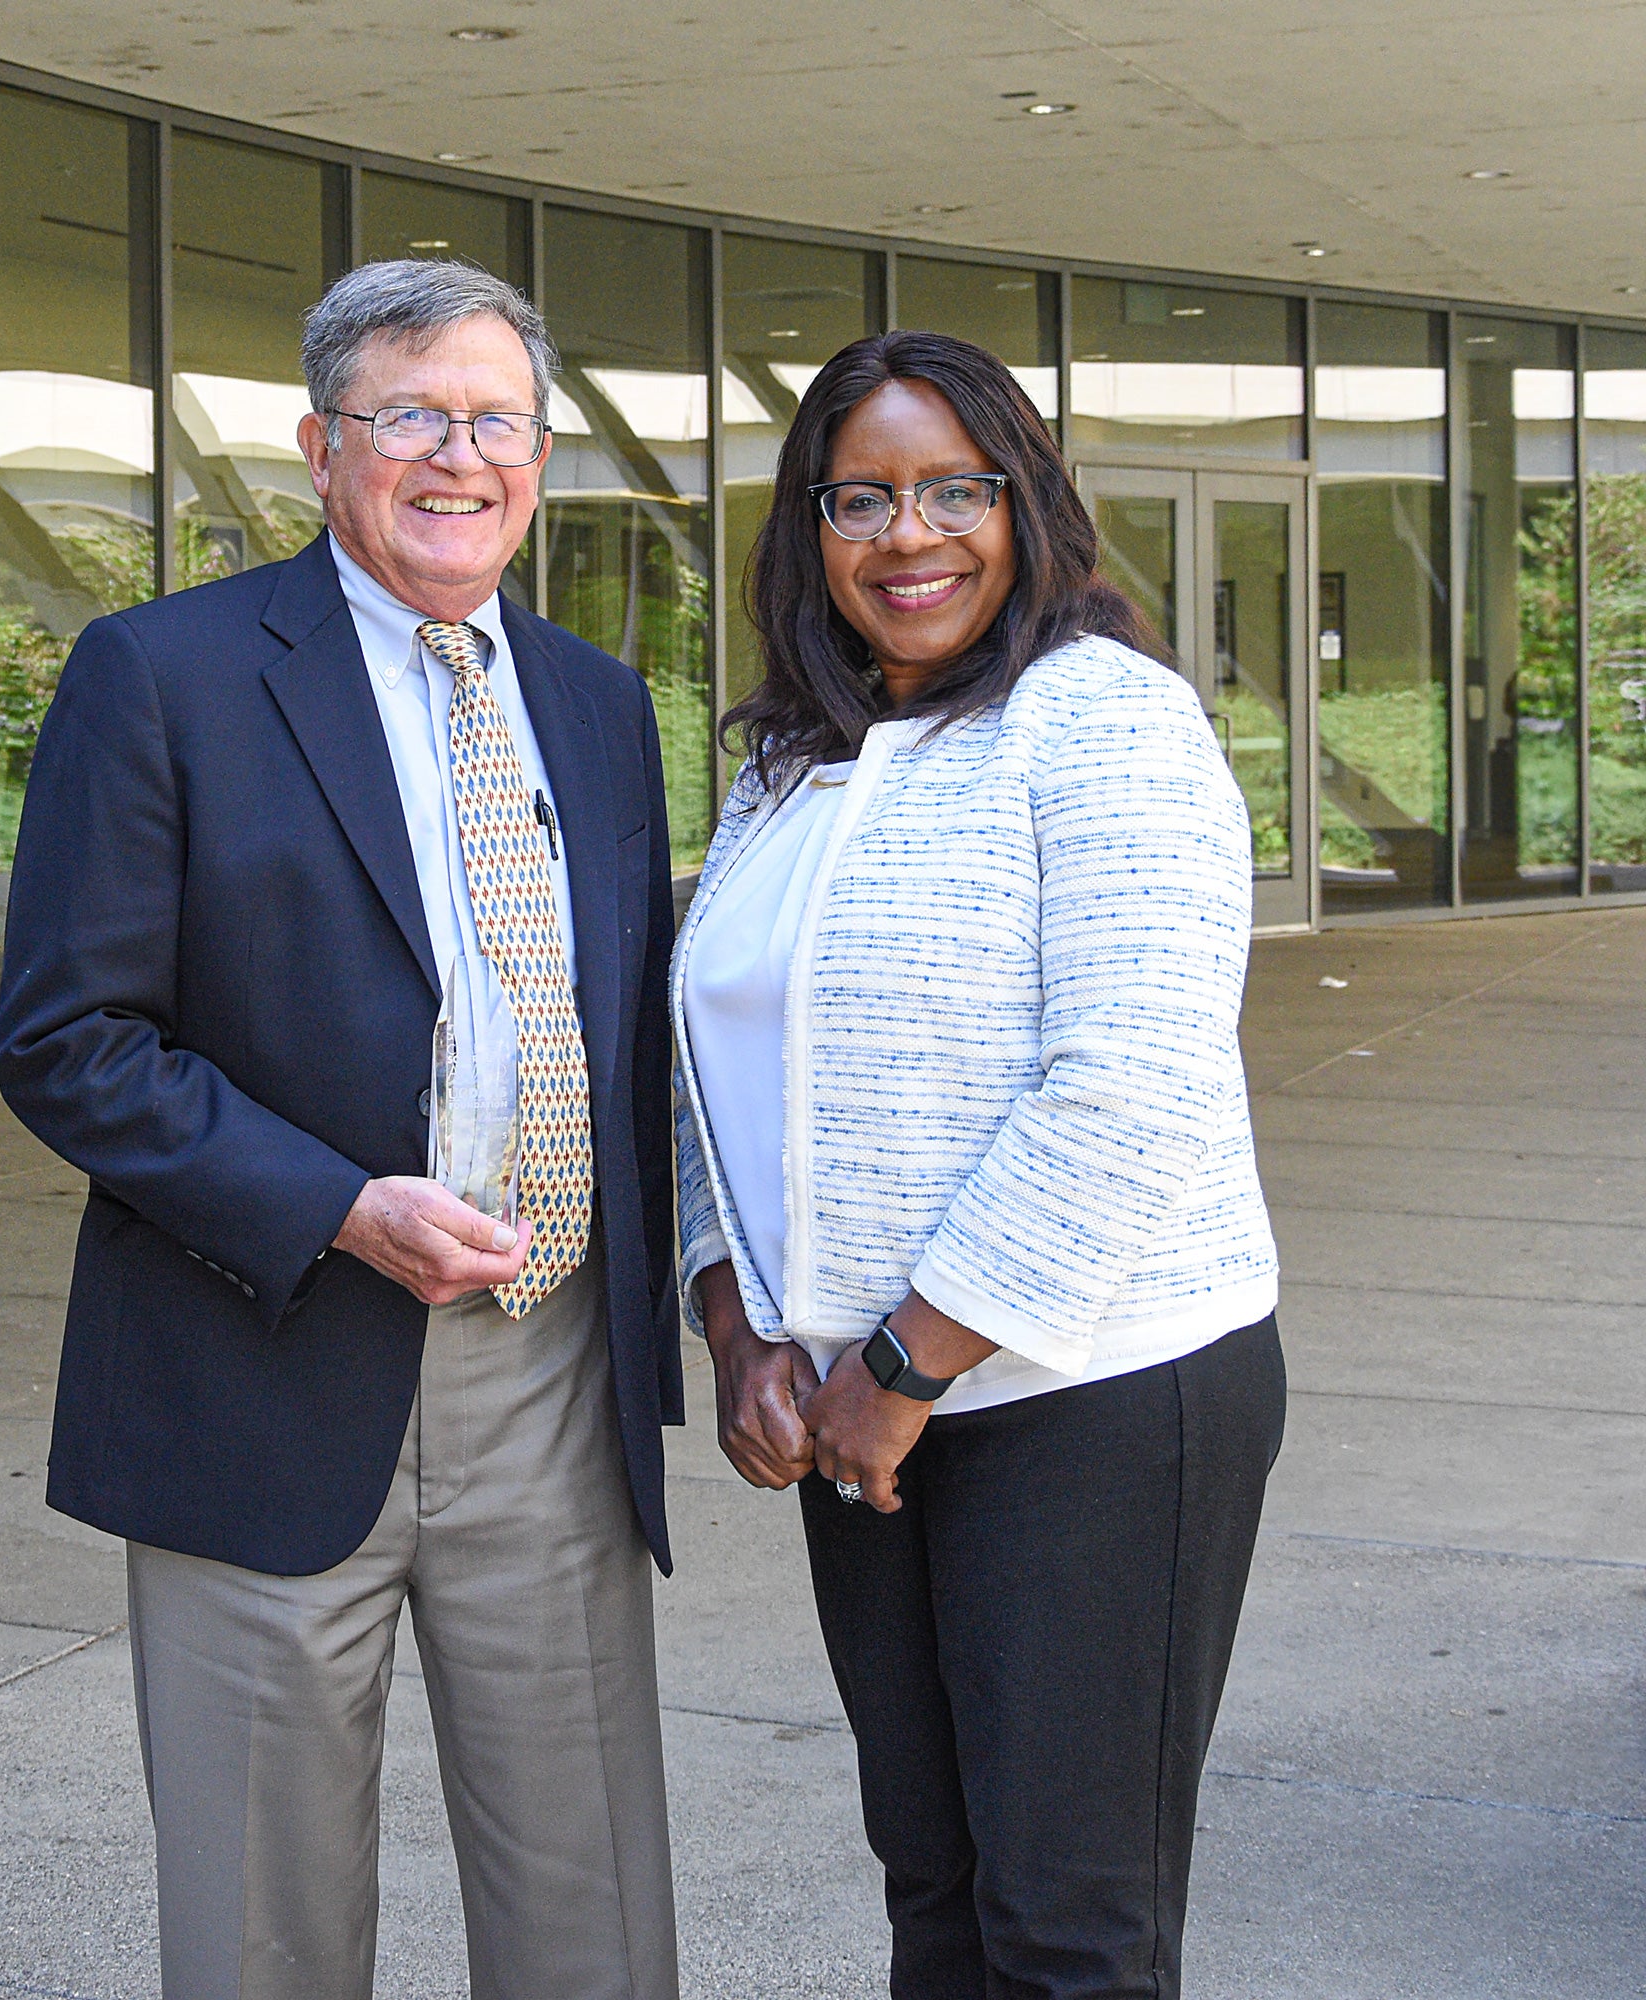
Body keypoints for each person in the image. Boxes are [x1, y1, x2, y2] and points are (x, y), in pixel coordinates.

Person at [0, 260, 681, 2000]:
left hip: (551, 1378)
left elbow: (635, 1033)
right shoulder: (163, 675)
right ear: (322, 446)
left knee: (591, 1920)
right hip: (266, 1360)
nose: (461, 457)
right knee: (260, 1934)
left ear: (540, 452)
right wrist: (332, 1206)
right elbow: (66, 1038)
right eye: (413, 417)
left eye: (499, 420)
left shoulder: (600, 705)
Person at [674, 329, 1286, 2000]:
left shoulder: (1104, 724)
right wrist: (736, 1329)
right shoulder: (786, 762)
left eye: (955, 489)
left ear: (1026, 504)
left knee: (1068, 1928)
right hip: (864, 1405)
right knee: (934, 1886)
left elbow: (1130, 1082)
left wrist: (904, 1361)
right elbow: (709, 1069)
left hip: (1093, 1391)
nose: (908, 535)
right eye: (858, 498)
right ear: (809, 530)